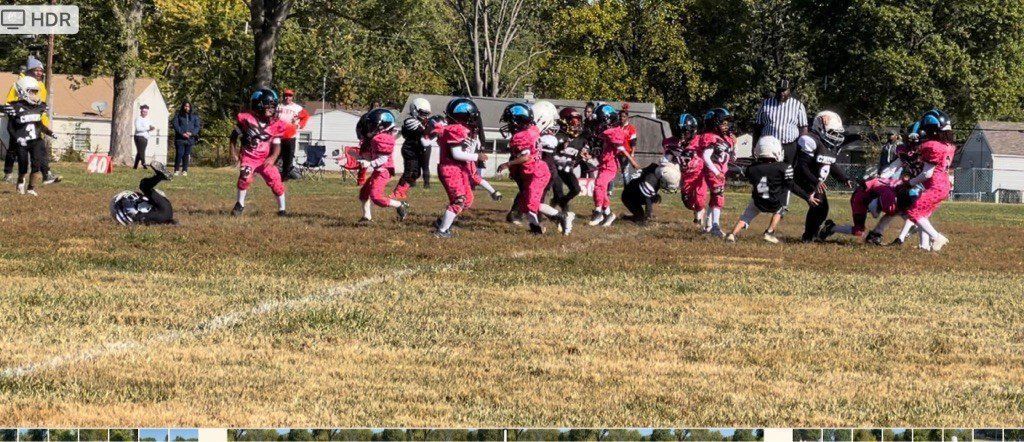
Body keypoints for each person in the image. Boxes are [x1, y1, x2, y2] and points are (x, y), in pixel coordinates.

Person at [496, 102, 573, 235]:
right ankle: (536, 229)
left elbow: (525, 157)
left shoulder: (523, 136)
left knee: (532, 204)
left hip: (536, 173)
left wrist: (508, 164)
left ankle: (562, 216)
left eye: (510, 121)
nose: (508, 124)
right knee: (525, 204)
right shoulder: (532, 130)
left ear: (517, 121)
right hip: (531, 172)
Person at [726, 136, 815, 243]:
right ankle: (770, 231)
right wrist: (807, 197)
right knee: (784, 201)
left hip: (758, 201)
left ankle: (733, 234)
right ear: (777, 151)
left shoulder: (751, 168)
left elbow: (752, 179)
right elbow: (791, 185)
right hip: (775, 202)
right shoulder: (784, 167)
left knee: (746, 216)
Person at [792, 110, 855, 242]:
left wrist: (844, 178)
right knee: (818, 206)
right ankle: (808, 237)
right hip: (803, 178)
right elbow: (802, 166)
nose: (836, 135)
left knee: (822, 208)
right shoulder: (808, 139)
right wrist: (815, 181)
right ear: (820, 127)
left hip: (815, 181)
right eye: (832, 132)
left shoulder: (829, 144)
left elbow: (831, 163)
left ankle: (812, 235)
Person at [433, 98, 488, 238]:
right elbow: (456, 154)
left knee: (467, 199)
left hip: (457, 169)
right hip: (451, 169)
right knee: (459, 200)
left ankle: (443, 222)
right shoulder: (455, 129)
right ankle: (441, 231)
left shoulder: (456, 129)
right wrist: (477, 157)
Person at [901, 109, 956, 251]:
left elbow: (927, 174)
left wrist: (911, 182)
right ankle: (924, 246)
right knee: (923, 214)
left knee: (914, 212)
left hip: (935, 186)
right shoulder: (949, 146)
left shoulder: (933, 146)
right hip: (944, 185)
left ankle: (936, 237)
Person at [229, 89, 289, 216]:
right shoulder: (247, 120)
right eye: (269, 106)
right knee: (245, 177)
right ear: (259, 105)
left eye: (273, 106)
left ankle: (282, 210)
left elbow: (277, 145)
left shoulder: (275, 125)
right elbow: (233, 137)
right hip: (249, 157)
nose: (272, 109)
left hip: (265, 159)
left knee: (276, 182)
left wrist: (273, 157)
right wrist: (233, 153)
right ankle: (240, 204)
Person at [5, 56, 60, 185]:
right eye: (37, 70)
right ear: (30, 70)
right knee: (13, 148)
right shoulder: (19, 83)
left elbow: (40, 103)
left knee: (40, 149)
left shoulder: (40, 85)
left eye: (41, 70)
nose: (40, 73)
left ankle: (46, 173)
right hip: (20, 122)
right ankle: (8, 173)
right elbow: (9, 102)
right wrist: (16, 115)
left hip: (35, 122)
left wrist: (42, 119)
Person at [681, 108, 735, 236]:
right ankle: (715, 226)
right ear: (714, 123)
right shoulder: (710, 137)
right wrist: (716, 172)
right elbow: (706, 156)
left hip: (719, 170)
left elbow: (726, 154)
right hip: (714, 170)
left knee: (715, 198)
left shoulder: (723, 138)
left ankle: (709, 226)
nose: (726, 125)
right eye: (724, 122)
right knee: (718, 197)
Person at [588, 104, 640, 227]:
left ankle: (598, 211)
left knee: (599, 185)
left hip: (610, 165)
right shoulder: (607, 131)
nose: (598, 123)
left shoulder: (614, 132)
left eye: (600, 120)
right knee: (600, 189)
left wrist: (632, 160)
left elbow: (621, 148)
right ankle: (608, 213)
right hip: (603, 164)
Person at [1, 76, 55, 196]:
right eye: (32, 92)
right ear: (22, 91)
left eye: (36, 92)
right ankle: (20, 181)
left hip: (35, 140)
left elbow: (39, 124)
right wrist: (17, 138)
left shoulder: (39, 106)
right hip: (22, 141)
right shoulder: (14, 106)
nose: (35, 95)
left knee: (36, 164)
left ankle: (31, 188)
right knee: (23, 165)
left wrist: (50, 133)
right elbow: (10, 126)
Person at [356, 108, 409, 224]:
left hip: (384, 170)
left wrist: (368, 163)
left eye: (370, 126)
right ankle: (366, 217)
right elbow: (371, 158)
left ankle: (400, 205)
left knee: (377, 197)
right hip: (379, 169)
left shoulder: (382, 138)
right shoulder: (375, 138)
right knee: (364, 192)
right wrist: (357, 158)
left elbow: (382, 159)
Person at [753, 79, 808, 162]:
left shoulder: (798, 105)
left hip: (789, 146)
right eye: (779, 90)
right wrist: (754, 145)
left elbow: (803, 128)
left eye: (784, 90)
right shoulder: (766, 103)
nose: (781, 93)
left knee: (789, 170)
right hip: (768, 146)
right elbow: (758, 126)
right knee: (770, 170)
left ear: (789, 91)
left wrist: (802, 147)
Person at [391, 98, 433, 199]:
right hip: (409, 149)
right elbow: (422, 131)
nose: (425, 115)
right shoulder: (410, 121)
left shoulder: (424, 122)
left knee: (416, 173)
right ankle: (397, 192)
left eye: (427, 113)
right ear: (415, 110)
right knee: (409, 171)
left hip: (417, 150)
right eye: (423, 112)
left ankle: (402, 191)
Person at [110, 162, 177, 225]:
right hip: (165, 208)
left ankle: (160, 176)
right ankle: (159, 177)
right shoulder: (131, 209)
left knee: (144, 187)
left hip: (166, 214)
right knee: (144, 186)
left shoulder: (132, 214)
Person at [551, 107, 587, 212]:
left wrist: (582, 156)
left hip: (566, 169)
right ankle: (560, 212)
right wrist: (560, 146)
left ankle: (562, 202)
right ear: (565, 121)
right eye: (573, 121)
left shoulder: (580, 138)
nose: (576, 124)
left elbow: (579, 153)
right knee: (558, 191)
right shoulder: (557, 136)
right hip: (554, 168)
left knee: (576, 189)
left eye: (578, 121)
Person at [275, 89, 310, 180]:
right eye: (286, 95)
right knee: (276, 155)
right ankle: (272, 175)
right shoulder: (278, 106)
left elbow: (306, 116)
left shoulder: (297, 108)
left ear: (292, 97)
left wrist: (299, 125)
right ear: (283, 96)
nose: (287, 97)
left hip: (290, 136)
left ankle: (285, 177)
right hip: (278, 135)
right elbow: (272, 117)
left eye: (290, 95)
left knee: (288, 157)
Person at [172, 102, 201, 176]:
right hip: (180, 139)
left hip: (190, 139)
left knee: (186, 154)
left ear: (190, 107)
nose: (186, 108)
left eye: (188, 106)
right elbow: (176, 125)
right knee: (179, 154)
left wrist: (191, 133)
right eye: (185, 106)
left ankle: (185, 170)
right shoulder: (178, 115)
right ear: (183, 107)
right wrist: (182, 133)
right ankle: (176, 170)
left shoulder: (194, 117)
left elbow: (197, 127)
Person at [134, 104, 155, 169]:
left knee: (140, 152)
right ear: (141, 112)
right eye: (144, 112)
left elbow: (150, 126)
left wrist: (151, 128)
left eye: (146, 112)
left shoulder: (148, 119)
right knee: (141, 152)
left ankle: (135, 166)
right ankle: (144, 164)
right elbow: (138, 129)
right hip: (139, 137)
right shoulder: (138, 119)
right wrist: (148, 128)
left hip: (145, 137)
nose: (145, 113)